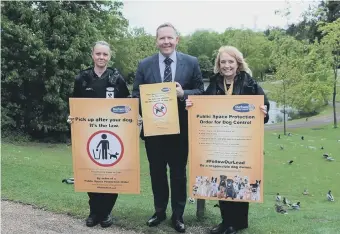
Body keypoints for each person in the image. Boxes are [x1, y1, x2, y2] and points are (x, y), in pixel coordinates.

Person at [186, 45, 270, 234]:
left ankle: (237, 223)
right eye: (223, 62)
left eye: (230, 61)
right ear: (219, 64)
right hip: (220, 140)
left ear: (238, 63)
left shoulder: (249, 83)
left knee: (240, 179)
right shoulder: (215, 82)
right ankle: (225, 222)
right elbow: (204, 106)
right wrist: (192, 105)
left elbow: (264, 106)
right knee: (222, 181)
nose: (226, 65)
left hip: (242, 141)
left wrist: (263, 112)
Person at [132, 23, 204, 233]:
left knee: (178, 174)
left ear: (177, 40)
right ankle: (159, 211)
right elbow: (135, 95)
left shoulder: (191, 63)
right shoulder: (144, 65)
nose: (166, 42)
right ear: (156, 41)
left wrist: (184, 94)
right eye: (162, 38)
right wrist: (148, 106)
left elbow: (201, 91)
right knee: (157, 173)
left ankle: (178, 216)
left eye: (169, 38)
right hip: (154, 131)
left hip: (180, 131)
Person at [68, 41, 130, 228]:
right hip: (87, 132)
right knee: (90, 171)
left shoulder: (117, 77)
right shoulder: (82, 78)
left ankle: (106, 213)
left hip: (113, 132)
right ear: (92, 55)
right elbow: (73, 104)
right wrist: (71, 117)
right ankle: (94, 211)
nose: (101, 57)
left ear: (109, 56)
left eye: (105, 54)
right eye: (98, 54)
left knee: (112, 173)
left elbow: (128, 104)